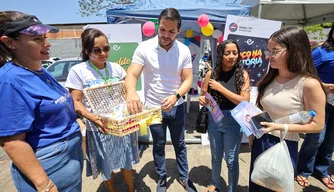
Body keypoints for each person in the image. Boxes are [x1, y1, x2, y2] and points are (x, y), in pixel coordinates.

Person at [0, 11, 83, 192]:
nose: (47, 43)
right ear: (10, 43)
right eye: (37, 39)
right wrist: (45, 184)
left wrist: (90, 116)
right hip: (48, 168)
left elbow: (61, 101)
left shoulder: (40, 71)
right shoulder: (10, 81)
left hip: (69, 160)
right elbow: (12, 142)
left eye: (45, 37)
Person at [125, 8, 196, 192]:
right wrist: (131, 92)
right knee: (158, 144)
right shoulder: (144, 48)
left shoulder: (184, 50)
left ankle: (184, 177)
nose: (166, 35)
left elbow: (188, 79)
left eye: (171, 32)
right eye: (163, 30)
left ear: (178, 31)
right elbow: (132, 73)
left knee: (180, 144)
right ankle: (162, 177)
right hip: (153, 108)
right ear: (159, 26)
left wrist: (176, 96)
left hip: (177, 106)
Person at [249, 27, 326, 192]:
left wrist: (281, 127)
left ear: (295, 50)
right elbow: (265, 109)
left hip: (283, 144)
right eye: (268, 51)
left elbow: (317, 125)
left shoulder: (309, 84)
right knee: (256, 186)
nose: (269, 56)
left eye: (275, 51)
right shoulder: (271, 77)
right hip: (260, 140)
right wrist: (252, 130)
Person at [65, 28, 139, 192]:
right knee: (106, 165)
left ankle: (131, 189)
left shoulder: (116, 68)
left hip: (120, 126)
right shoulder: (78, 71)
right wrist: (91, 117)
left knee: (126, 161)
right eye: (96, 50)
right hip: (99, 127)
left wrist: (133, 104)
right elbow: (75, 101)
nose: (103, 53)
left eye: (106, 48)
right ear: (86, 50)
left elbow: (126, 92)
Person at [199, 39, 250, 192]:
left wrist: (221, 88)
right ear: (220, 55)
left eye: (235, 53)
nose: (231, 56)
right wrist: (203, 99)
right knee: (215, 157)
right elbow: (203, 95)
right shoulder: (211, 74)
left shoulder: (242, 74)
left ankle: (232, 188)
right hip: (215, 119)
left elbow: (244, 101)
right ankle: (215, 183)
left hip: (234, 121)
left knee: (232, 160)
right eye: (227, 53)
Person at [296, 26, 334, 189]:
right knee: (316, 138)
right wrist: (323, 86)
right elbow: (304, 72)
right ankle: (303, 170)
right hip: (321, 101)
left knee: (330, 140)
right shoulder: (321, 51)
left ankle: (321, 170)